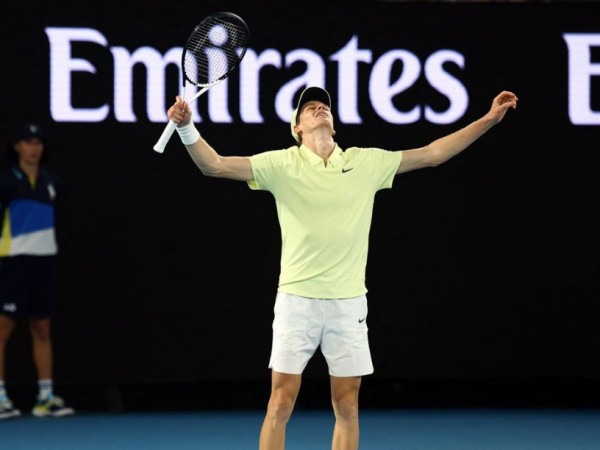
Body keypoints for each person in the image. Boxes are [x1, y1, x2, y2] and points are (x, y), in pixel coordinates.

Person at [166, 86, 517, 449]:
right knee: (281, 402)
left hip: (348, 304)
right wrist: (186, 127)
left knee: (347, 406)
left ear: (333, 125)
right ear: (297, 128)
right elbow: (214, 165)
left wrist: (489, 120)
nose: (319, 109)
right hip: (296, 301)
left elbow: (433, 154)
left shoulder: (366, 162)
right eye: (309, 108)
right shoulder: (280, 164)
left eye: (324, 107)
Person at [0, 123, 75, 419]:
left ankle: (45, 397)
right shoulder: (6, 182)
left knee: (42, 327)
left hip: (44, 262)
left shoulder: (52, 182)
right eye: (28, 142)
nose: (34, 149)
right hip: (13, 260)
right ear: (17, 147)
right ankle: (1, 397)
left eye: (38, 143)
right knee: (3, 329)